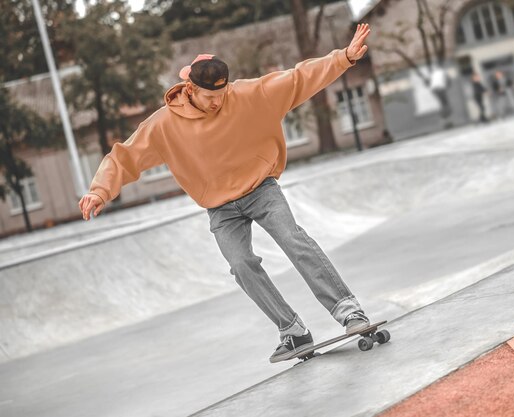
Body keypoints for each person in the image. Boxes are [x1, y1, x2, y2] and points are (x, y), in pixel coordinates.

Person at [78, 23, 373, 363]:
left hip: (261, 190)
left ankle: (348, 310)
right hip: (221, 209)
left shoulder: (248, 95)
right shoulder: (163, 125)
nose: (218, 102)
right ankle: (292, 331)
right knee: (241, 265)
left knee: (294, 240)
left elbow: (298, 78)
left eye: (222, 94)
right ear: (190, 88)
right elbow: (125, 156)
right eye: (209, 97)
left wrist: (344, 58)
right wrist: (100, 191)